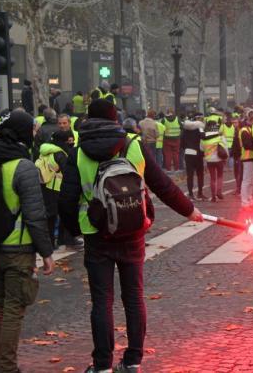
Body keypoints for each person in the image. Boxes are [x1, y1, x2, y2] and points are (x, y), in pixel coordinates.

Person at [58, 99, 202, 373]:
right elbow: (163, 185)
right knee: (134, 297)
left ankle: (102, 365)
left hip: (97, 233)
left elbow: (66, 201)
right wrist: (188, 210)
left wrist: (76, 229)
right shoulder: (133, 144)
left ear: (88, 119)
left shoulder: (78, 152)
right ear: (116, 118)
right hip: (133, 229)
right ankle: (133, 360)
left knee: (102, 301)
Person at [0, 110, 54, 372]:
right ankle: (7, 368)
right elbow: (34, 214)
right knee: (13, 310)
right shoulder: (23, 167)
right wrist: (46, 252)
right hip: (17, 249)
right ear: (23, 133)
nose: (35, 134)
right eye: (32, 130)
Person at [200, 121, 228, 202]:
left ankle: (213, 197)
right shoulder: (220, 136)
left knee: (212, 178)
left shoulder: (203, 137)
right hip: (219, 159)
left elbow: (201, 148)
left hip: (209, 160)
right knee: (220, 176)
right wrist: (226, 158)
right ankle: (219, 192)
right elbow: (225, 148)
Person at [182, 113, 207, 200]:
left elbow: (182, 142)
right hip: (198, 154)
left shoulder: (185, 129)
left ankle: (190, 194)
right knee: (200, 174)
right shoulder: (200, 128)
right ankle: (200, 193)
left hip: (188, 153)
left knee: (190, 175)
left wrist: (186, 148)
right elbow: (204, 137)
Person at [239, 115, 253, 207]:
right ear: (252, 121)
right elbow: (247, 145)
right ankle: (244, 201)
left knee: (251, 181)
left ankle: (249, 199)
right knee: (247, 181)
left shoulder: (250, 130)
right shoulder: (244, 130)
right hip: (248, 158)